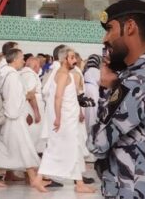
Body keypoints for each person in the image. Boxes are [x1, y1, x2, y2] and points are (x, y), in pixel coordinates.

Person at [88, 0, 145, 199]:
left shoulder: (137, 81)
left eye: (109, 29)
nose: (105, 39)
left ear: (130, 27)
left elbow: (97, 143)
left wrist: (109, 87)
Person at [0, 48, 47, 192]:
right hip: (14, 118)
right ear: (14, 59)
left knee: (4, 147)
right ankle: (33, 179)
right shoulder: (12, 76)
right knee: (24, 146)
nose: (23, 61)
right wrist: (27, 97)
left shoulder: (5, 73)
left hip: (9, 117)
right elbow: (13, 99)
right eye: (21, 58)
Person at [38, 47, 94, 193]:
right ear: (64, 59)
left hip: (69, 119)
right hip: (64, 120)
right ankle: (38, 179)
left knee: (71, 149)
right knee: (57, 149)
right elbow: (58, 97)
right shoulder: (63, 75)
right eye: (72, 57)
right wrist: (58, 118)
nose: (75, 60)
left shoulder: (66, 74)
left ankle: (79, 183)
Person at [20, 55, 45, 153]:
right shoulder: (30, 75)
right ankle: (31, 154)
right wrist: (36, 112)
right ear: (35, 66)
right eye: (39, 66)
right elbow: (31, 95)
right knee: (34, 132)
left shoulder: (23, 73)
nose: (40, 69)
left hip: (28, 107)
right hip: (31, 108)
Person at [82, 54, 101, 131]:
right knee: (93, 110)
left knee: (86, 109)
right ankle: (91, 127)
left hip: (85, 88)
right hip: (93, 89)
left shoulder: (86, 70)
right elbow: (99, 82)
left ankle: (86, 128)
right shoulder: (97, 71)